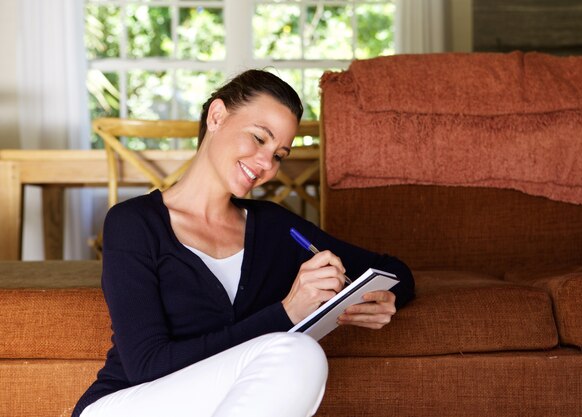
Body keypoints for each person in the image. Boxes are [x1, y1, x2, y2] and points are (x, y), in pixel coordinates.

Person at [72, 69, 415, 417]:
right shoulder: (134, 223)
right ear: (217, 116)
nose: (266, 163)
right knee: (298, 352)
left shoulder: (275, 227)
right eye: (258, 138)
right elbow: (147, 366)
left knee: (301, 354)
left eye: (280, 154)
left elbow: (394, 271)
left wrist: (380, 299)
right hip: (128, 404)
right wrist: (287, 313)